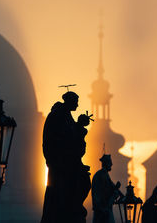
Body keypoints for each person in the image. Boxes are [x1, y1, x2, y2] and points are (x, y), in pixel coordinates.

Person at [41, 91, 92, 223]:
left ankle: (73, 210)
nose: (78, 104)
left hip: (68, 162)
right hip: (60, 164)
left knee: (83, 182)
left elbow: (71, 136)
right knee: (64, 193)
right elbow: (62, 138)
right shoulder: (57, 115)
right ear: (69, 101)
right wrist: (78, 127)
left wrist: (79, 125)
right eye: (76, 102)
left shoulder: (66, 116)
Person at [92, 154, 122, 223]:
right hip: (103, 211)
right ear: (106, 163)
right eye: (110, 162)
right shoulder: (101, 175)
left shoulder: (104, 175)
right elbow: (103, 192)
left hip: (105, 210)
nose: (112, 164)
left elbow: (112, 187)